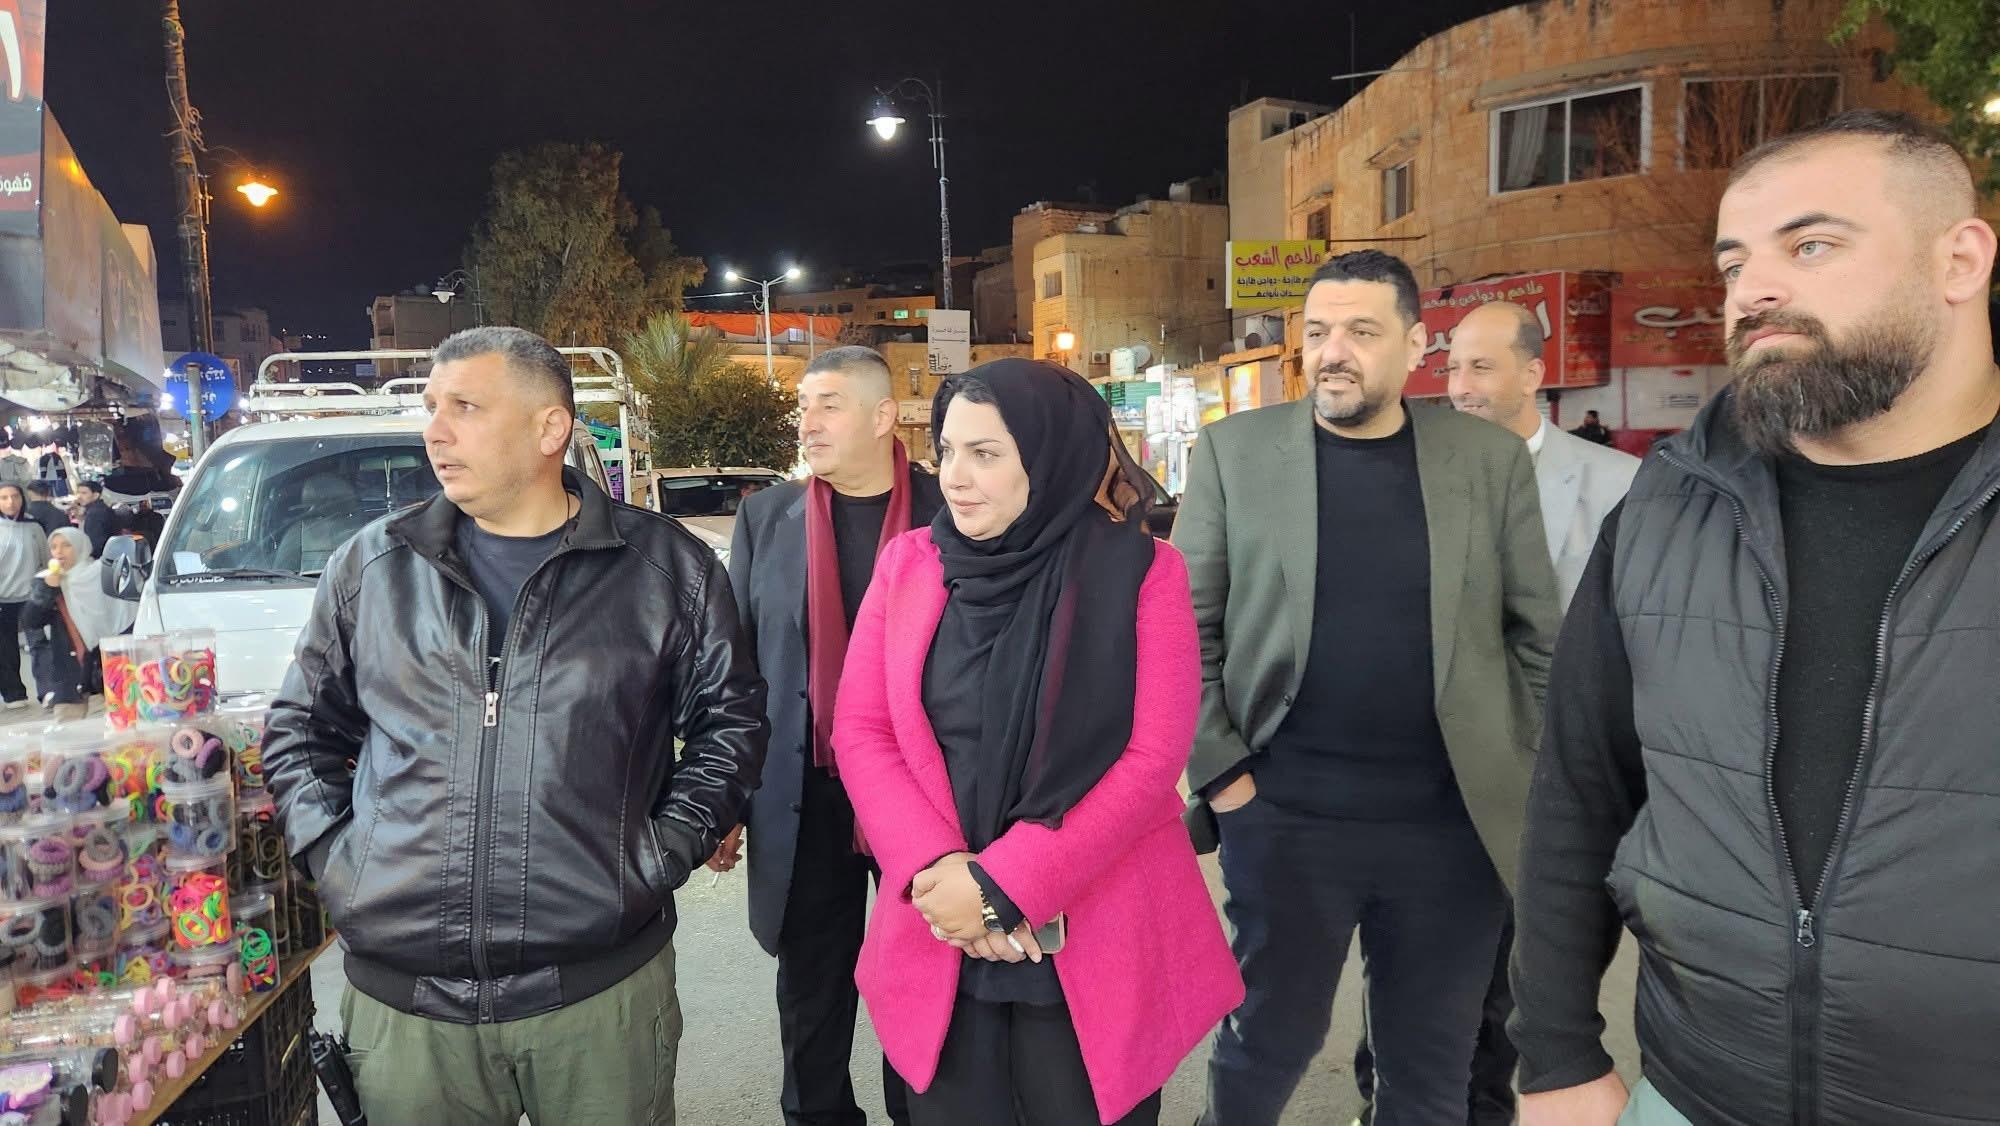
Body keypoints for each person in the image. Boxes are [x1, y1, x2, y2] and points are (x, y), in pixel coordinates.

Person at [1512, 111, 2000, 1126]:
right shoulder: (1666, 509)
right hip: (1693, 1092)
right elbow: (1578, 795)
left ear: (1959, 260)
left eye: (1809, 246)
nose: (1751, 290)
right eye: (1733, 263)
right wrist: (1555, 1056)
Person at [263, 325, 768, 1126]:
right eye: (432, 407)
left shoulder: (666, 570)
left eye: (465, 407)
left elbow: (730, 724)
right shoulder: (373, 566)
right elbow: (300, 730)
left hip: (599, 997)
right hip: (407, 1007)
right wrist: (338, 859)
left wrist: (656, 855)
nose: (435, 430)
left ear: (549, 428)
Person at [1176, 251, 1559, 1126]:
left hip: (1451, 833)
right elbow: (1183, 632)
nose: (1333, 352)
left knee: (1430, 1070)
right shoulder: (1237, 453)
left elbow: (1538, 635)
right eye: (1317, 333)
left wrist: (1516, 769)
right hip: (1285, 818)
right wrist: (1226, 779)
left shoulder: (1487, 460)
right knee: (1268, 1042)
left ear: (1416, 346)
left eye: (1360, 331)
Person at [833, 358, 1242, 1126]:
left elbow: (1152, 758)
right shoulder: (908, 565)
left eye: (985, 453)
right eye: (947, 451)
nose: (955, 477)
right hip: (942, 928)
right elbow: (862, 728)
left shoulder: (1143, 573)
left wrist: (1007, 885)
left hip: (1093, 931)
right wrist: (941, 872)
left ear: (1050, 457)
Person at [1346, 301, 1640, 1126]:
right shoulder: (1404, 474)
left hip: (1547, 787)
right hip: (1421, 780)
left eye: (1481, 366)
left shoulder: (1618, 486)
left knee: (1509, 983)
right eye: (1452, 368)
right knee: (1404, 974)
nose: (1461, 386)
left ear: (1534, 374)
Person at [721, 346, 939, 1126]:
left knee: (924, 983)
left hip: (923, 797)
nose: (808, 423)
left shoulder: (951, 510)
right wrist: (727, 800)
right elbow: (738, 669)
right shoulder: (766, 519)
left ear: (884, 417)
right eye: (803, 406)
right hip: (805, 791)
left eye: (830, 405)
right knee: (811, 989)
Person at [22, 527, 134, 718]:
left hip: (106, 674)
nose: (59, 552)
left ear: (80, 546)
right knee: (67, 731)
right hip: (68, 677)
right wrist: (48, 589)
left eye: (66, 545)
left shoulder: (100, 574)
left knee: (112, 727)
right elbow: (31, 621)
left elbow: (124, 615)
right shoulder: (47, 580)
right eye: (54, 547)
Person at [0, 485, 48, 710]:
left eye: (14, 496)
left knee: (39, 643)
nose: (10, 502)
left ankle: (47, 691)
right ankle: (13, 694)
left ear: (22, 498)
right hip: (3, 599)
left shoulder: (34, 527)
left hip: (32, 597)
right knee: (5, 648)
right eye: (4, 498)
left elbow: (45, 560)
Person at [74, 481, 117, 557]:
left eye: (84, 493)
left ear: (95, 495)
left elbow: (94, 543)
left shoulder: (95, 513)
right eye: (78, 493)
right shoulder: (100, 508)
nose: (79, 496)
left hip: (99, 557)